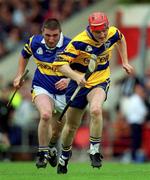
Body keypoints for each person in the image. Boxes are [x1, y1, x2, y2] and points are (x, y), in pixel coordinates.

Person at [52, 12, 134, 174]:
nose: (103, 34)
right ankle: (64, 156)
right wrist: (76, 76)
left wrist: (124, 61)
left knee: (96, 110)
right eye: (98, 32)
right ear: (91, 29)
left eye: (104, 30)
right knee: (71, 126)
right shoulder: (79, 42)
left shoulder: (112, 32)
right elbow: (59, 64)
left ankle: (94, 150)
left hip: (100, 80)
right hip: (78, 85)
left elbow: (120, 38)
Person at [13, 18, 71, 168]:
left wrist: (69, 80)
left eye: (55, 35)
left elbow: (82, 69)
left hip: (64, 93)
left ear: (60, 33)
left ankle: (51, 147)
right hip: (42, 86)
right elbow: (24, 55)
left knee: (58, 130)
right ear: (42, 33)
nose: (51, 39)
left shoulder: (70, 46)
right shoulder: (35, 42)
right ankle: (42, 153)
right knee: (45, 114)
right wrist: (19, 75)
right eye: (48, 35)